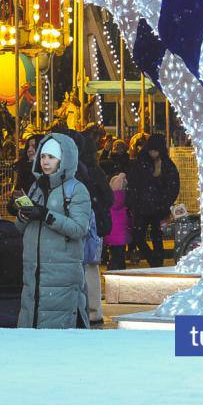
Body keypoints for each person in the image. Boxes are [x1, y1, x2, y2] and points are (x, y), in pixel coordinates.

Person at [13, 133, 90, 329]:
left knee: (57, 332)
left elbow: (79, 228)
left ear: (63, 159)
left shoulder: (76, 190)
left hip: (61, 274)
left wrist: (46, 215)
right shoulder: (35, 187)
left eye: (51, 157)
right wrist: (23, 214)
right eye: (43, 156)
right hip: (34, 274)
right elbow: (20, 228)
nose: (45, 162)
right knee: (33, 327)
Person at [126, 134, 179, 268]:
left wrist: (164, 202)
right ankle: (153, 259)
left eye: (155, 150)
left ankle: (157, 262)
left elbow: (173, 187)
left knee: (156, 237)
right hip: (143, 206)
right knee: (138, 236)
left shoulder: (167, 165)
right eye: (151, 150)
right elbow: (133, 182)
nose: (153, 153)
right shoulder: (142, 162)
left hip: (157, 207)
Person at [76, 133, 112, 326]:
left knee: (87, 265)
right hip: (94, 223)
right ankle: (93, 309)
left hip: (89, 222)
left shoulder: (82, 171)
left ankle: (90, 308)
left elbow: (107, 198)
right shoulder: (94, 170)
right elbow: (109, 198)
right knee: (91, 266)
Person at [9, 134, 43, 216]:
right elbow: (16, 209)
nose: (29, 150)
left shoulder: (49, 174)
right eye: (28, 146)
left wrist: (26, 205)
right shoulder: (24, 170)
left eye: (34, 146)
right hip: (26, 224)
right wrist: (15, 201)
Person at [104, 172, 130, 271]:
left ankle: (113, 268)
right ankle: (120, 269)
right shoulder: (124, 198)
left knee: (114, 254)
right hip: (122, 235)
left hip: (111, 234)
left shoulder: (109, 199)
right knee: (120, 255)